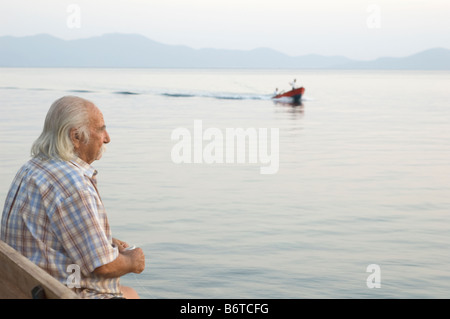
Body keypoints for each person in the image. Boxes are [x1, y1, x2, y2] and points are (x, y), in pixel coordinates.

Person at [0, 96, 145, 299]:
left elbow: (48, 234)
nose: (107, 138)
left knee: (131, 293)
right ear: (76, 137)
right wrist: (132, 260)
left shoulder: (32, 168)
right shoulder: (73, 184)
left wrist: (103, 241)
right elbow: (102, 266)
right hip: (65, 292)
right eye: (101, 129)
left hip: (28, 287)